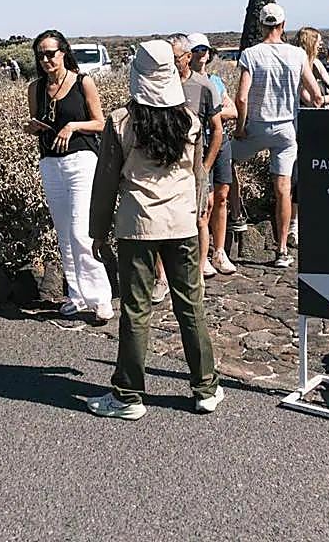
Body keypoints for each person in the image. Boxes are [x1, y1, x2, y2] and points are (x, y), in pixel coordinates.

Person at [86, 40, 222, 420]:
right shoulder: (190, 121)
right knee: (190, 305)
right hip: (182, 223)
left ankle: (128, 395)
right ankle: (205, 387)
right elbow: (197, 174)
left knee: (135, 310)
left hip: (137, 224)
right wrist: (199, 208)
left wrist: (98, 231)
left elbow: (106, 181)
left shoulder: (121, 121)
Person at [23, 30, 113, 321]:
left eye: (51, 53)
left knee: (80, 232)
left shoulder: (82, 82)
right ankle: (77, 295)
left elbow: (101, 123)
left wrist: (73, 126)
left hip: (81, 159)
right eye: (40, 54)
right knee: (63, 233)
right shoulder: (35, 88)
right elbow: (35, 121)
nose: (46, 59)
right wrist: (33, 128)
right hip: (50, 162)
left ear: (63, 52)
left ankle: (100, 298)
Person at [232, 2, 323, 268]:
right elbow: (316, 96)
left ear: (261, 25)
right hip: (286, 129)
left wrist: (240, 127)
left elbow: (241, 97)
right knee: (283, 189)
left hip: (257, 125)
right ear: (283, 25)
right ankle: (281, 250)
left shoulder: (251, 54)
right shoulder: (297, 54)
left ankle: (237, 214)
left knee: (225, 160)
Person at [152, 34, 222, 297]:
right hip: (164, 167)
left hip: (194, 167)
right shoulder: (157, 85)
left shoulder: (204, 86)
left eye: (175, 58)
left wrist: (205, 167)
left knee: (200, 219)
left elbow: (217, 129)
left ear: (188, 57)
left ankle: (198, 273)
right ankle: (161, 278)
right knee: (160, 222)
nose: (171, 63)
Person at [188, 33, 237, 276]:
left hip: (220, 141)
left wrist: (212, 114)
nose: (202, 54)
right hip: (201, 144)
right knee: (204, 202)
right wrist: (216, 113)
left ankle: (219, 251)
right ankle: (202, 254)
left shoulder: (215, 81)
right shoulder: (186, 83)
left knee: (222, 196)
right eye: (197, 49)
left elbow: (233, 110)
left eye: (205, 49)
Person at [296, 27, 329, 108]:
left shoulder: (316, 63)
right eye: (318, 42)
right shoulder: (297, 67)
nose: (321, 44)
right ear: (311, 43)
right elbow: (312, 102)